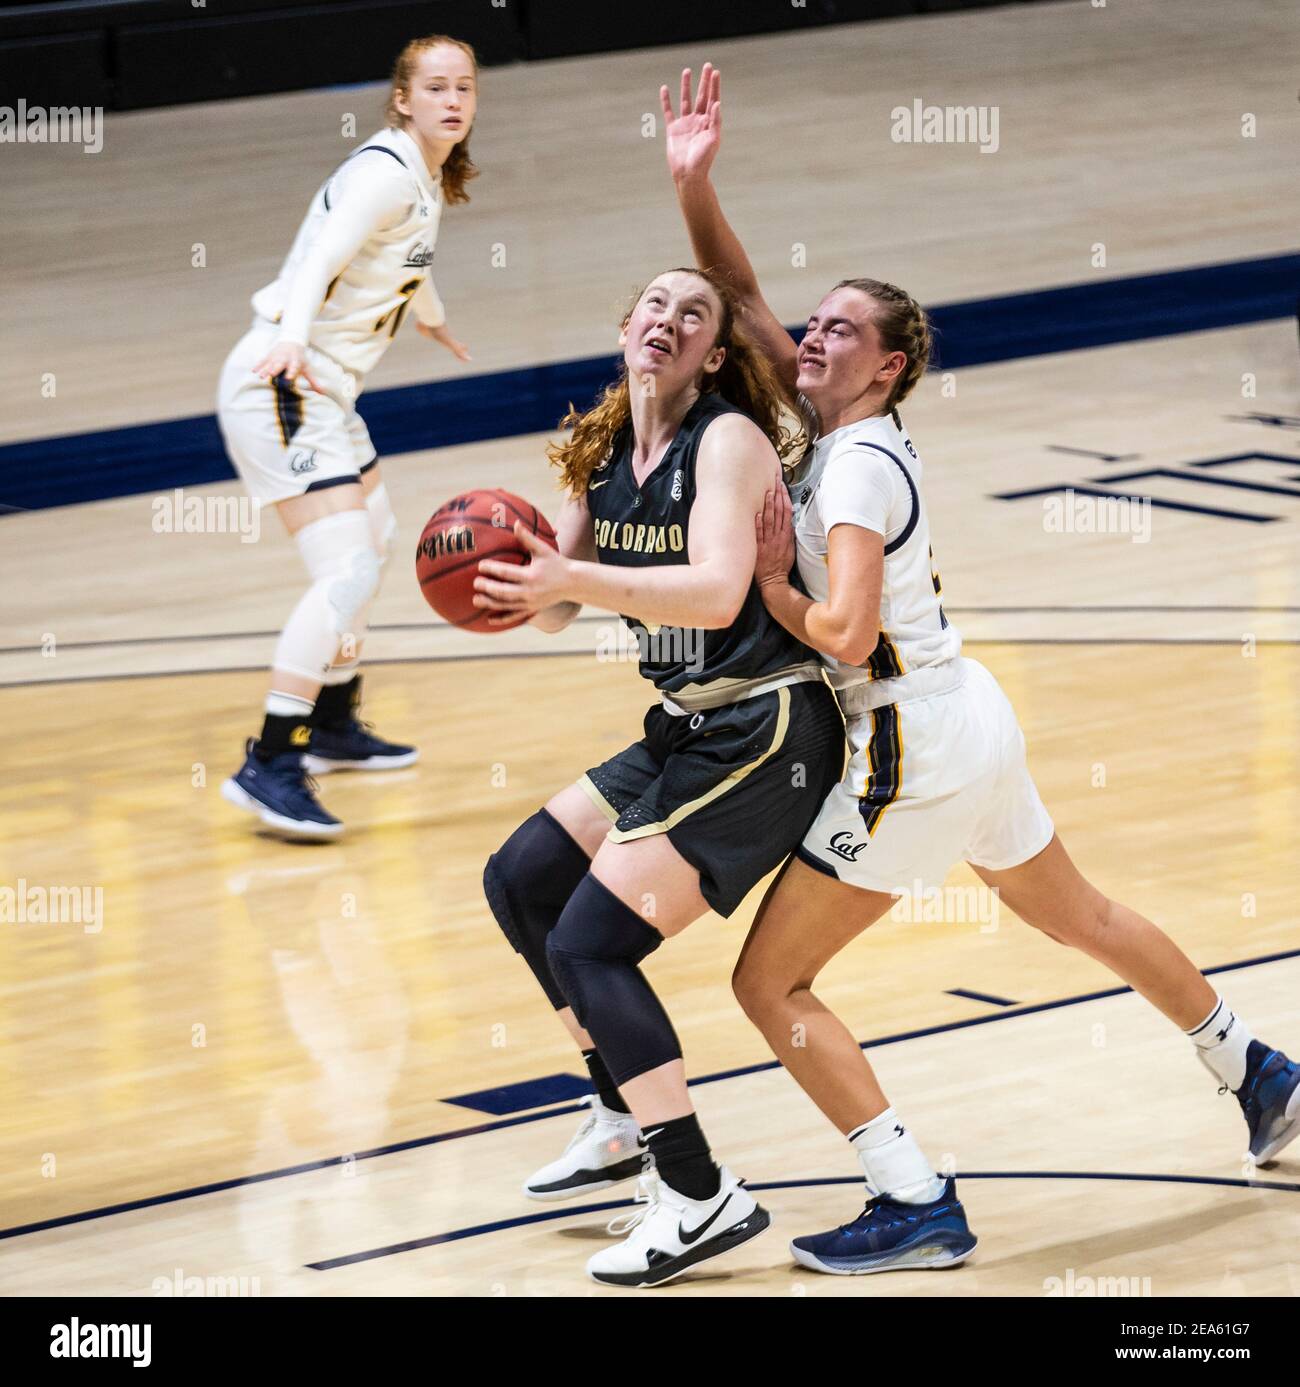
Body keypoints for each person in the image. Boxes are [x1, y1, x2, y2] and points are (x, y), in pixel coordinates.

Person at [662, 63, 1300, 1276]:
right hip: (967, 712)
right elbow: (740, 294)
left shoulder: (851, 467)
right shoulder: (833, 426)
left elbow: (843, 635)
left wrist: (764, 584)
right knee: (1080, 916)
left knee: (769, 980)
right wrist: (697, 184)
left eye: (841, 328)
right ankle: (1257, 1067)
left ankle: (916, 1198)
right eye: (819, 319)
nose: (811, 334)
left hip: (908, 743)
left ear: (890, 365)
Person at [476, 267, 847, 1286]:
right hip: (687, 724)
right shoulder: (598, 450)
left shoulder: (725, 441)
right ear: (627, 325)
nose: (670, 321)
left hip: (769, 724)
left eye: (696, 315)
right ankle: (614, 1108)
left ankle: (695, 1191)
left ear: (715, 356)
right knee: (523, 880)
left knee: (593, 944)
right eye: (654, 304)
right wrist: (503, 574)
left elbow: (721, 592)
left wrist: (571, 578)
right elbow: (554, 606)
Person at [217, 34, 477, 839]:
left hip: (324, 393)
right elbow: (321, 259)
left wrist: (431, 321)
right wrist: (292, 337)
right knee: (346, 569)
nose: (452, 100)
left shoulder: (418, 174)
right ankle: (273, 758)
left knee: (378, 535)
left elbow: (407, 261)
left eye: (464, 87)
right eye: (435, 87)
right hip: (282, 384)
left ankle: (331, 719)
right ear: (402, 97)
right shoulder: (380, 173)